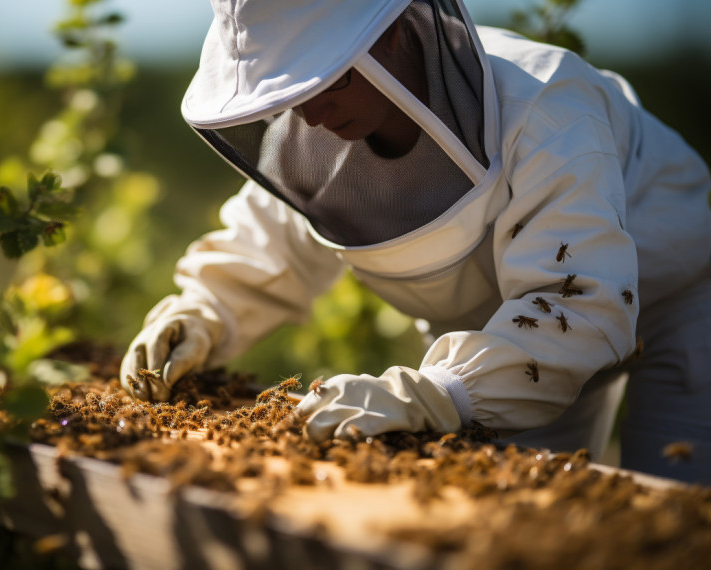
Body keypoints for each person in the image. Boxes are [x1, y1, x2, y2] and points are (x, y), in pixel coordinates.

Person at [119, 0, 711, 484]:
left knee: (677, 499)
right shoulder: (305, 143)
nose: (313, 112)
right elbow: (269, 246)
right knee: (526, 516)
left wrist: (442, 393)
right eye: (292, 87)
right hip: (501, 343)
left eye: (329, 75)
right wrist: (204, 312)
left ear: (393, 31)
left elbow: (577, 298)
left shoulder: (545, 101)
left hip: (675, 306)